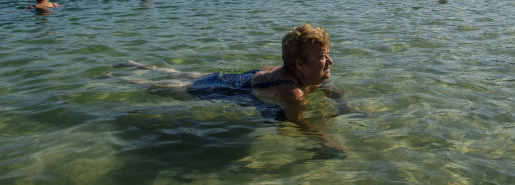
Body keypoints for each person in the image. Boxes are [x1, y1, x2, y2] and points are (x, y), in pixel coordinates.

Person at [100, 24, 363, 154]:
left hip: (244, 77)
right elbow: (299, 124)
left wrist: (344, 106)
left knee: (186, 74)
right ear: (300, 64)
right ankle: (119, 78)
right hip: (231, 91)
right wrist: (324, 141)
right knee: (172, 87)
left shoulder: (307, 73)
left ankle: (133, 63)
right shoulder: (293, 93)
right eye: (322, 58)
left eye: (328, 54)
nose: (330, 61)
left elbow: (327, 84)